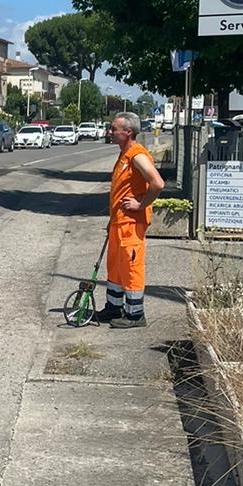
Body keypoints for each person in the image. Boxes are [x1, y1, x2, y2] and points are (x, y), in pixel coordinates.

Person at [95, 111, 164, 328]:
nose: (110, 132)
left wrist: (141, 205)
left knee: (132, 267)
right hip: (119, 222)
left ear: (128, 132)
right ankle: (113, 307)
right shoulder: (124, 154)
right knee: (115, 266)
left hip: (131, 224)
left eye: (114, 129)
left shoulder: (136, 154)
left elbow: (157, 183)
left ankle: (135, 314)